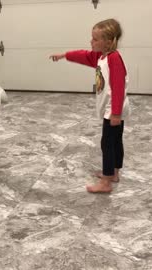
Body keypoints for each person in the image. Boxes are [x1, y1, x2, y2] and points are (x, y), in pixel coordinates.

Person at [49, 18, 130, 193]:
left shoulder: (114, 59)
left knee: (107, 143)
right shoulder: (102, 57)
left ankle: (106, 183)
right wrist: (64, 55)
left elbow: (118, 87)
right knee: (115, 141)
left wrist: (115, 113)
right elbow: (84, 55)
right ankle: (114, 173)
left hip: (113, 110)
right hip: (113, 110)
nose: (91, 41)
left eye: (95, 39)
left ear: (108, 42)